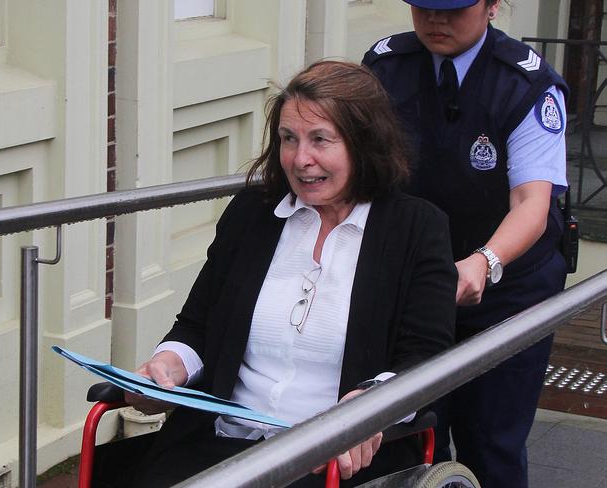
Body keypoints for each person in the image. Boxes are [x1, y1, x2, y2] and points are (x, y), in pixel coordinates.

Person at [92, 60, 457, 487]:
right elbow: (196, 326)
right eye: (288, 139)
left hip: (332, 459)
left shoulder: (417, 229)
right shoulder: (253, 215)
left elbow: (426, 357)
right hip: (221, 443)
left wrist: (368, 406)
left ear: (364, 143)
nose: (301, 159)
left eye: (320, 139)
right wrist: (167, 367)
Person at [362, 2, 569, 487]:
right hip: (415, 284)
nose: (436, 20)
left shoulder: (526, 84)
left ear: (492, 5)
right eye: (424, 7)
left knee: (490, 441)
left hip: (507, 288)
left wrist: (485, 261)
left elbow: (531, 203)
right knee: (407, 438)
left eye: (453, 8)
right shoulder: (385, 65)